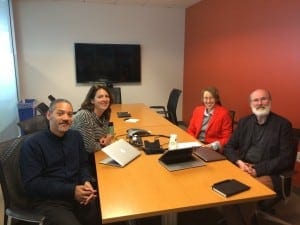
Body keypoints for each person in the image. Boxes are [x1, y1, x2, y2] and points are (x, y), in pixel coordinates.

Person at [20, 99, 101, 225]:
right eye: (60, 113)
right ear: (48, 115)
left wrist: (86, 181)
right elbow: (32, 184)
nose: (66, 118)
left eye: (70, 114)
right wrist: (71, 190)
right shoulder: (32, 144)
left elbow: (83, 164)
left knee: (105, 215)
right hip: (49, 201)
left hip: (77, 193)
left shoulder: (76, 137)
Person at [222, 89, 295, 225]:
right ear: (251, 104)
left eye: (264, 99)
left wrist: (257, 170)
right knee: (225, 191)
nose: (260, 103)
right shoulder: (245, 122)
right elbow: (229, 147)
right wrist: (239, 162)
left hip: (269, 173)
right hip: (243, 167)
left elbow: (286, 158)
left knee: (244, 194)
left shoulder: (283, 125)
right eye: (256, 100)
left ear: (270, 101)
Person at [187, 86, 232, 152]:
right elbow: (190, 130)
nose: (208, 101)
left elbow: (227, 138)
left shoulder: (224, 114)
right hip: (196, 144)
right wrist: (194, 142)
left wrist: (213, 146)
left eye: (211, 98)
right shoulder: (197, 110)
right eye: (206, 98)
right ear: (202, 99)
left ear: (216, 99)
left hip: (211, 147)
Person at [71, 85, 113, 153]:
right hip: (77, 154)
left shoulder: (105, 113)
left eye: (107, 96)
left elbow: (103, 136)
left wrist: (107, 137)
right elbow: (90, 148)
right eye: (100, 97)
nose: (105, 99)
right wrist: (105, 144)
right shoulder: (85, 115)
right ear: (92, 100)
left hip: (92, 152)